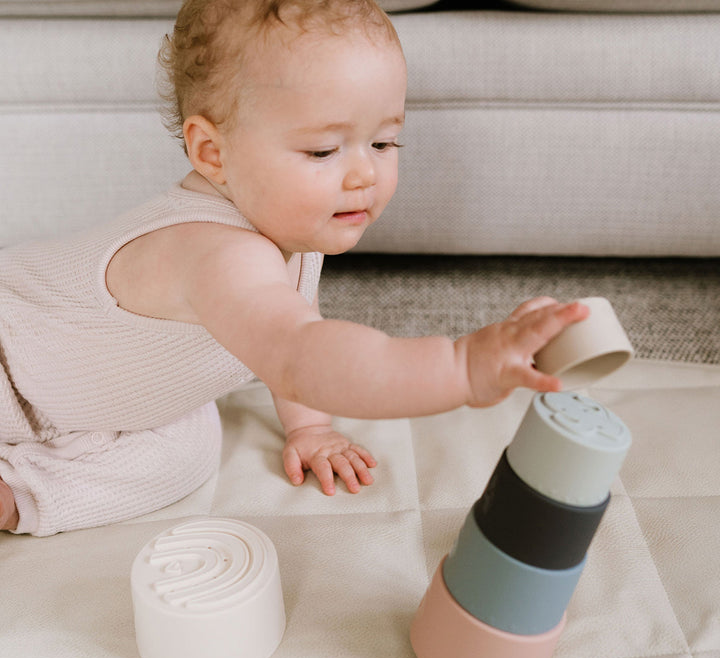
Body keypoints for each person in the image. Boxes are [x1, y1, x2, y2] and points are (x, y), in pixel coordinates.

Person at [0, 0, 588, 536]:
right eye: (323, 151)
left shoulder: (291, 226)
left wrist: (309, 427)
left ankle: (15, 494)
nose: (363, 174)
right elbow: (299, 356)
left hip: (79, 404)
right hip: (9, 365)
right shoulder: (214, 253)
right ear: (212, 153)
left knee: (193, 448)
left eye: (383, 144)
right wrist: (461, 367)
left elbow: (296, 332)